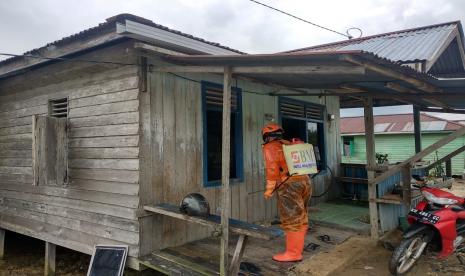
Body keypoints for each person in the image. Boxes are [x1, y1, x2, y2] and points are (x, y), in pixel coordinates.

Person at [262, 123, 312, 262]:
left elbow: (272, 170)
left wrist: (269, 189)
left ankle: (293, 253)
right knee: (301, 216)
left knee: (292, 218)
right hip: (305, 181)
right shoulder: (289, 144)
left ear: (266, 136)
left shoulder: (271, 147)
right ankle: (297, 251)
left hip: (290, 185)